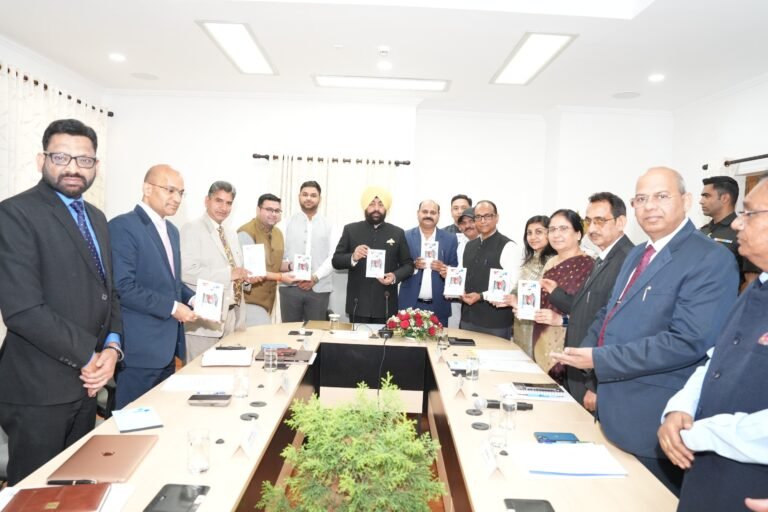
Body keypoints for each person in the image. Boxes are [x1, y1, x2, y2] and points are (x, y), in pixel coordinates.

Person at [551, 167, 739, 495]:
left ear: (686, 201)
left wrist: (599, 359)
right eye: (641, 199)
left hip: (653, 419)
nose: (649, 206)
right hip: (613, 409)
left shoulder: (710, 258)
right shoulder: (638, 253)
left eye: (661, 196)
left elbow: (688, 341)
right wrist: (582, 351)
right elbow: (608, 313)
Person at [0, 119, 122, 485]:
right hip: (38, 390)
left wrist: (112, 348)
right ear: (42, 160)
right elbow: (23, 311)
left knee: (74, 488)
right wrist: (89, 356)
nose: (73, 168)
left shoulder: (97, 218)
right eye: (61, 157)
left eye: (84, 160)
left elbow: (109, 292)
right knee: (34, 494)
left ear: (95, 166)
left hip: (86, 386)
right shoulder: (15, 214)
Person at [658, 174, 768, 511]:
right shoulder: (757, 288)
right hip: (705, 476)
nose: (737, 223)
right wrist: (680, 407)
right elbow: (717, 359)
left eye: (750, 213)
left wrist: (701, 432)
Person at [109, 165, 196, 409]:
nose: (177, 198)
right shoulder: (123, 226)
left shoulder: (172, 230)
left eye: (181, 192)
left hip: (167, 348)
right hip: (139, 349)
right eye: (170, 190)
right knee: (131, 422)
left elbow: (171, 282)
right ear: (147, 189)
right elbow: (123, 286)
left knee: (161, 417)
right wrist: (173, 308)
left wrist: (193, 299)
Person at [537, 193, 634, 410]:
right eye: (589, 221)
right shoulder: (603, 259)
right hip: (579, 363)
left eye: (600, 221)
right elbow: (585, 310)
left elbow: (616, 327)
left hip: (595, 372)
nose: (592, 228)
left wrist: (595, 383)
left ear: (620, 222)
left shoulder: (627, 259)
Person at [180, 181, 248, 362]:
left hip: (232, 316)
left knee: (226, 373)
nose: (224, 207)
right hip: (205, 320)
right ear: (207, 201)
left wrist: (246, 277)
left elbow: (235, 269)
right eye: (219, 201)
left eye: (228, 203)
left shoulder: (231, 233)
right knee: (198, 373)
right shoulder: (192, 228)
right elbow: (186, 271)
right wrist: (229, 274)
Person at [528, 210, 593, 382]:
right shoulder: (551, 262)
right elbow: (542, 300)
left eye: (563, 229)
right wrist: (522, 305)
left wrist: (561, 319)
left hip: (569, 345)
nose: (556, 234)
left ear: (578, 234)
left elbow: (590, 313)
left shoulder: (589, 265)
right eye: (552, 229)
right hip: (542, 338)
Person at [332, 187, 413, 323]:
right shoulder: (351, 230)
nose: (376, 209)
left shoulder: (397, 233)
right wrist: (353, 257)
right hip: (358, 303)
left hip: (386, 303)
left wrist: (394, 276)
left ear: (386, 208)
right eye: (371, 204)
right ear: (365, 206)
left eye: (380, 205)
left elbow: (408, 265)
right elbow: (336, 261)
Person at [460, 200, 523, 340]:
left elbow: (512, 284)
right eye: (478, 217)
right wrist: (457, 288)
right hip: (467, 319)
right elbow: (466, 277)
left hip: (495, 322)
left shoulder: (509, 246)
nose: (482, 221)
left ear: (496, 218)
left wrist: (481, 296)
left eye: (487, 216)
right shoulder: (469, 246)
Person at [281, 181, 339, 322]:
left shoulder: (330, 225)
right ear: (299, 197)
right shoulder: (285, 223)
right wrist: (290, 268)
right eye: (305, 194)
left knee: (316, 331)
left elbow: (334, 257)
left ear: (319, 199)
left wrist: (315, 277)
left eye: (313, 195)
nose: (308, 198)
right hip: (290, 287)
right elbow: (279, 254)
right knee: (289, 330)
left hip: (319, 288)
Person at [398, 200, 458, 327]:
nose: (428, 215)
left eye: (433, 212)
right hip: (410, 305)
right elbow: (398, 267)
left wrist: (445, 270)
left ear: (438, 215)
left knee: (439, 340)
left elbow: (455, 269)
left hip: (439, 307)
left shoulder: (450, 239)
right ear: (418, 213)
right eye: (425, 211)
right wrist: (413, 266)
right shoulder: (405, 236)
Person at [238, 193, 293, 325]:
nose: (273, 214)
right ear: (258, 210)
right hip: (249, 301)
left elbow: (274, 264)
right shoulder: (246, 232)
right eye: (269, 209)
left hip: (268, 302)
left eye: (277, 211)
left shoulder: (278, 233)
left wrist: (290, 266)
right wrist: (281, 277)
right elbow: (253, 271)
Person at [699, 175, 760, 289]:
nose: (701, 201)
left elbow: (751, 282)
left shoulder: (744, 233)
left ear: (724, 198)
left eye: (706, 196)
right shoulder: (701, 231)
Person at [509, 215, 555, 358]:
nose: (533, 237)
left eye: (538, 232)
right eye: (529, 233)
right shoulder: (530, 260)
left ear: (549, 233)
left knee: (537, 362)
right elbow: (519, 287)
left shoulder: (554, 262)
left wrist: (518, 302)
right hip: (522, 322)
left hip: (541, 324)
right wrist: (509, 297)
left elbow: (549, 297)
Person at [447, 207, 479, 328]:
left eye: (471, 221)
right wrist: (448, 273)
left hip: (481, 302)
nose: (467, 226)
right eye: (463, 223)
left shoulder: (488, 244)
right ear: (459, 227)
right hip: (460, 299)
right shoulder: (460, 244)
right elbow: (459, 270)